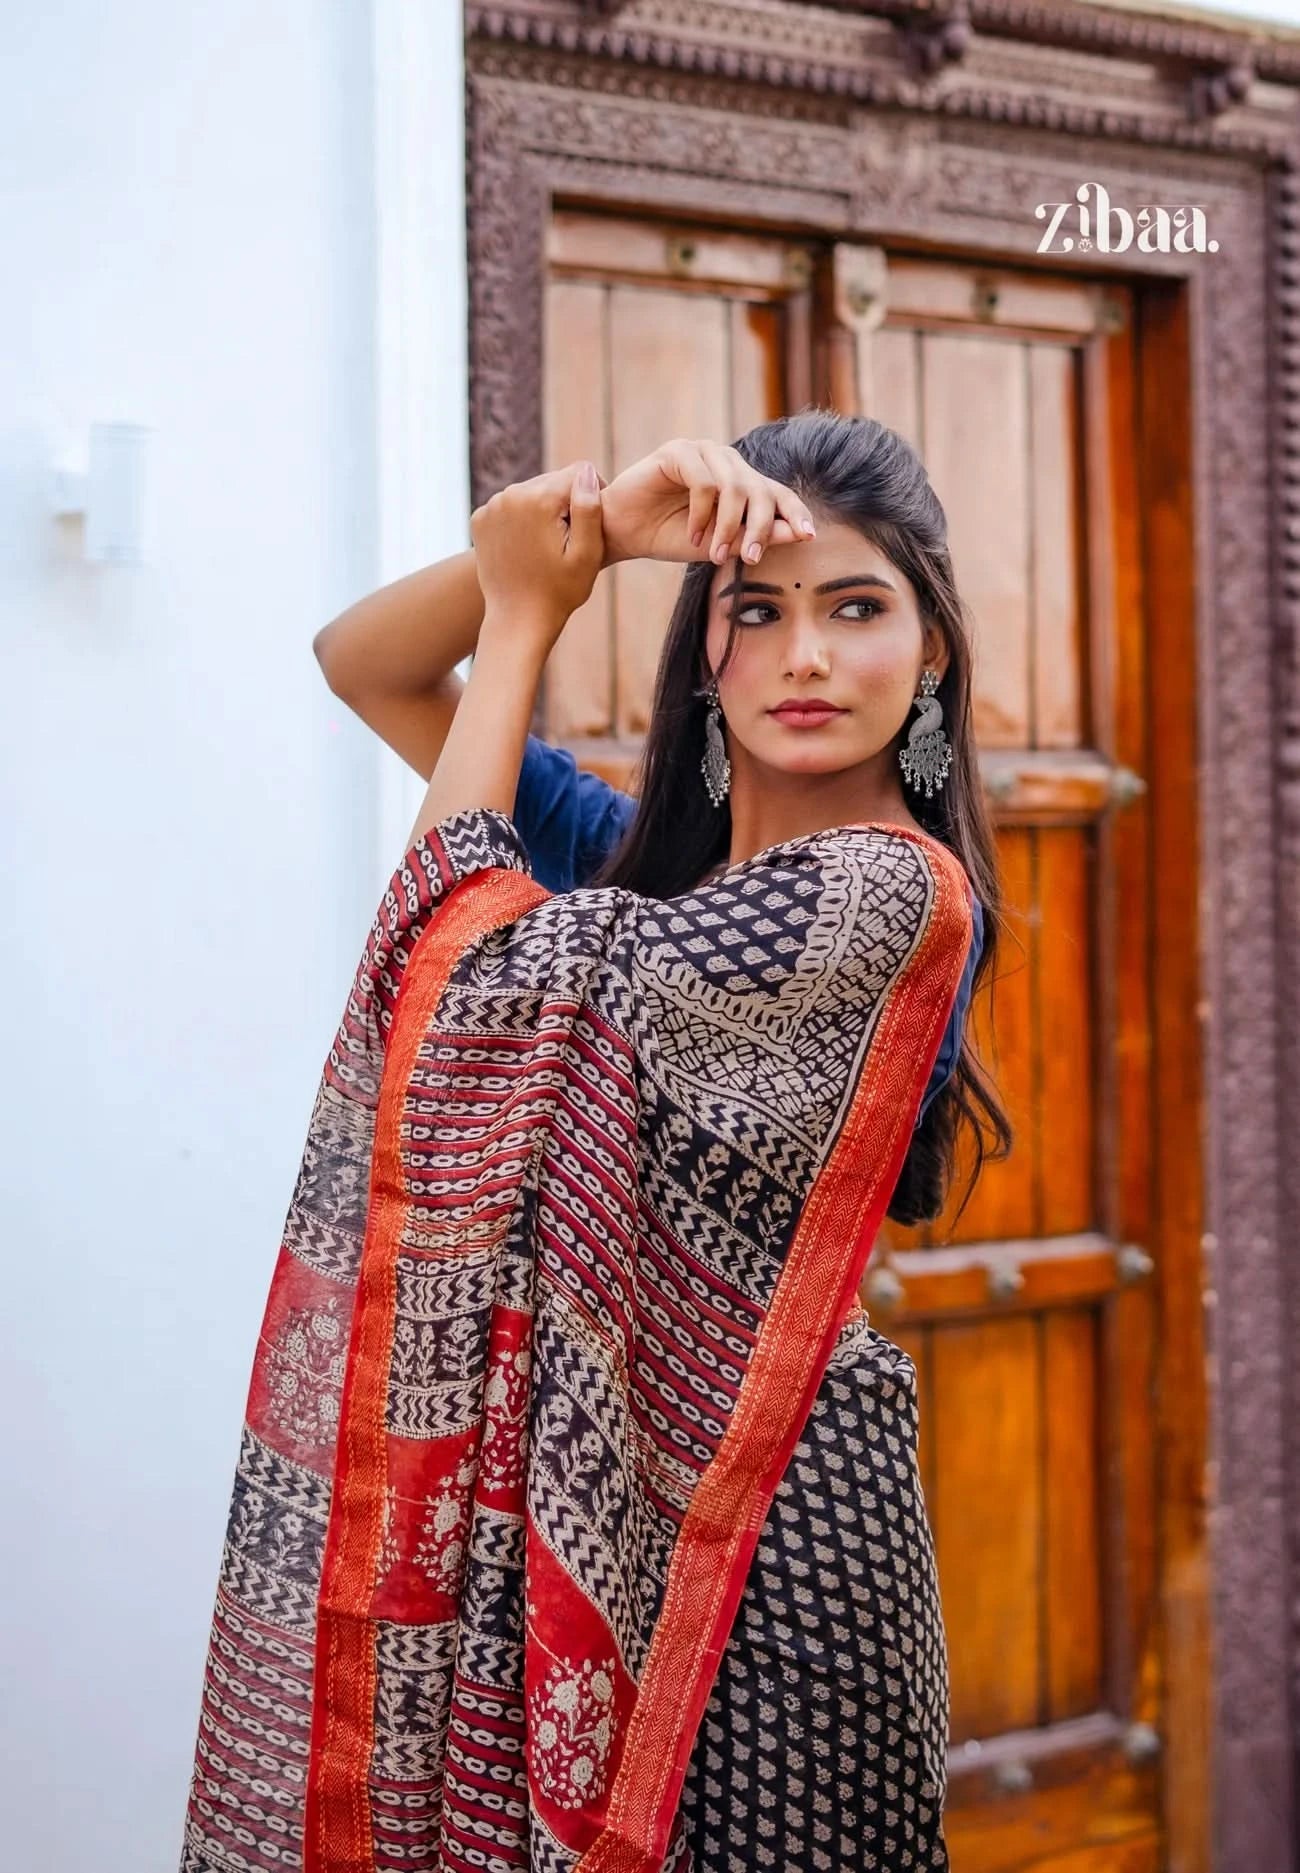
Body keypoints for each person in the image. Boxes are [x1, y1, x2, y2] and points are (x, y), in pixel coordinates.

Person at [179, 411, 1011, 1873]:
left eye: (856, 607)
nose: (805, 654)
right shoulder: (639, 877)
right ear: (708, 650)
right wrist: (590, 542)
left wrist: (522, 619)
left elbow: (457, 1001)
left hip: (769, 1550)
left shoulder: (893, 902)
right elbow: (362, 661)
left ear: (930, 650)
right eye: (757, 610)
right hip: (580, 1487)